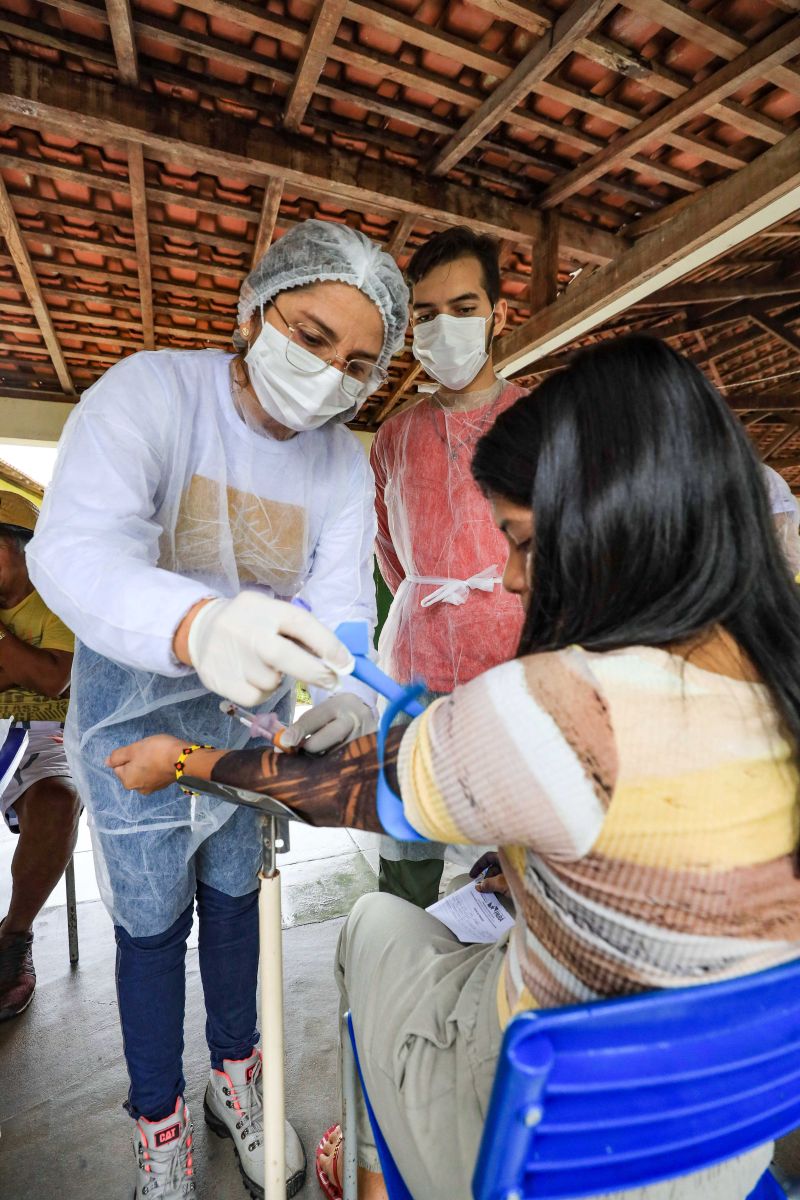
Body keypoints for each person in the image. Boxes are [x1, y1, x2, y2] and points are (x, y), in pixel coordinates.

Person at [113, 336, 800, 1200]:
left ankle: (366, 1176)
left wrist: (182, 759)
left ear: (615, 522)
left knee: (375, 923)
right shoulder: (779, 667)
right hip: (727, 1147)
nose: (510, 578)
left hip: (553, 1156)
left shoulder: (564, 706)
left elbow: (335, 790)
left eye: (521, 540)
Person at [27, 219, 409, 1200]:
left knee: (239, 910)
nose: (329, 375)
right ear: (255, 309)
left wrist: (339, 695)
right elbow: (70, 554)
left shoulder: (336, 464)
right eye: (312, 336)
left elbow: (333, 607)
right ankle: (157, 1124)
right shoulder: (151, 395)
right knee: (150, 935)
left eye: (358, 364)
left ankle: (236, 1079)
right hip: (130, 730)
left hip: (248, 738)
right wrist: (198, 623)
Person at [370, 227, 526, 908]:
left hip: (522, 662)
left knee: (523, 836)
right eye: (427, 316)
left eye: (464, 308)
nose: (446, 328)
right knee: (408, 835)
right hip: (417, 664)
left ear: (499, 314)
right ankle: (403, 956)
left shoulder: (541, 419)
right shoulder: (395, 437)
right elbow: (390, 556)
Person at [0, 491, 79, 1021]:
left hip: (46, 731)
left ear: (20, 548)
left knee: (58, 799)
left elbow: (55, 678)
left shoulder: (58, 601)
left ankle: (13, 936)